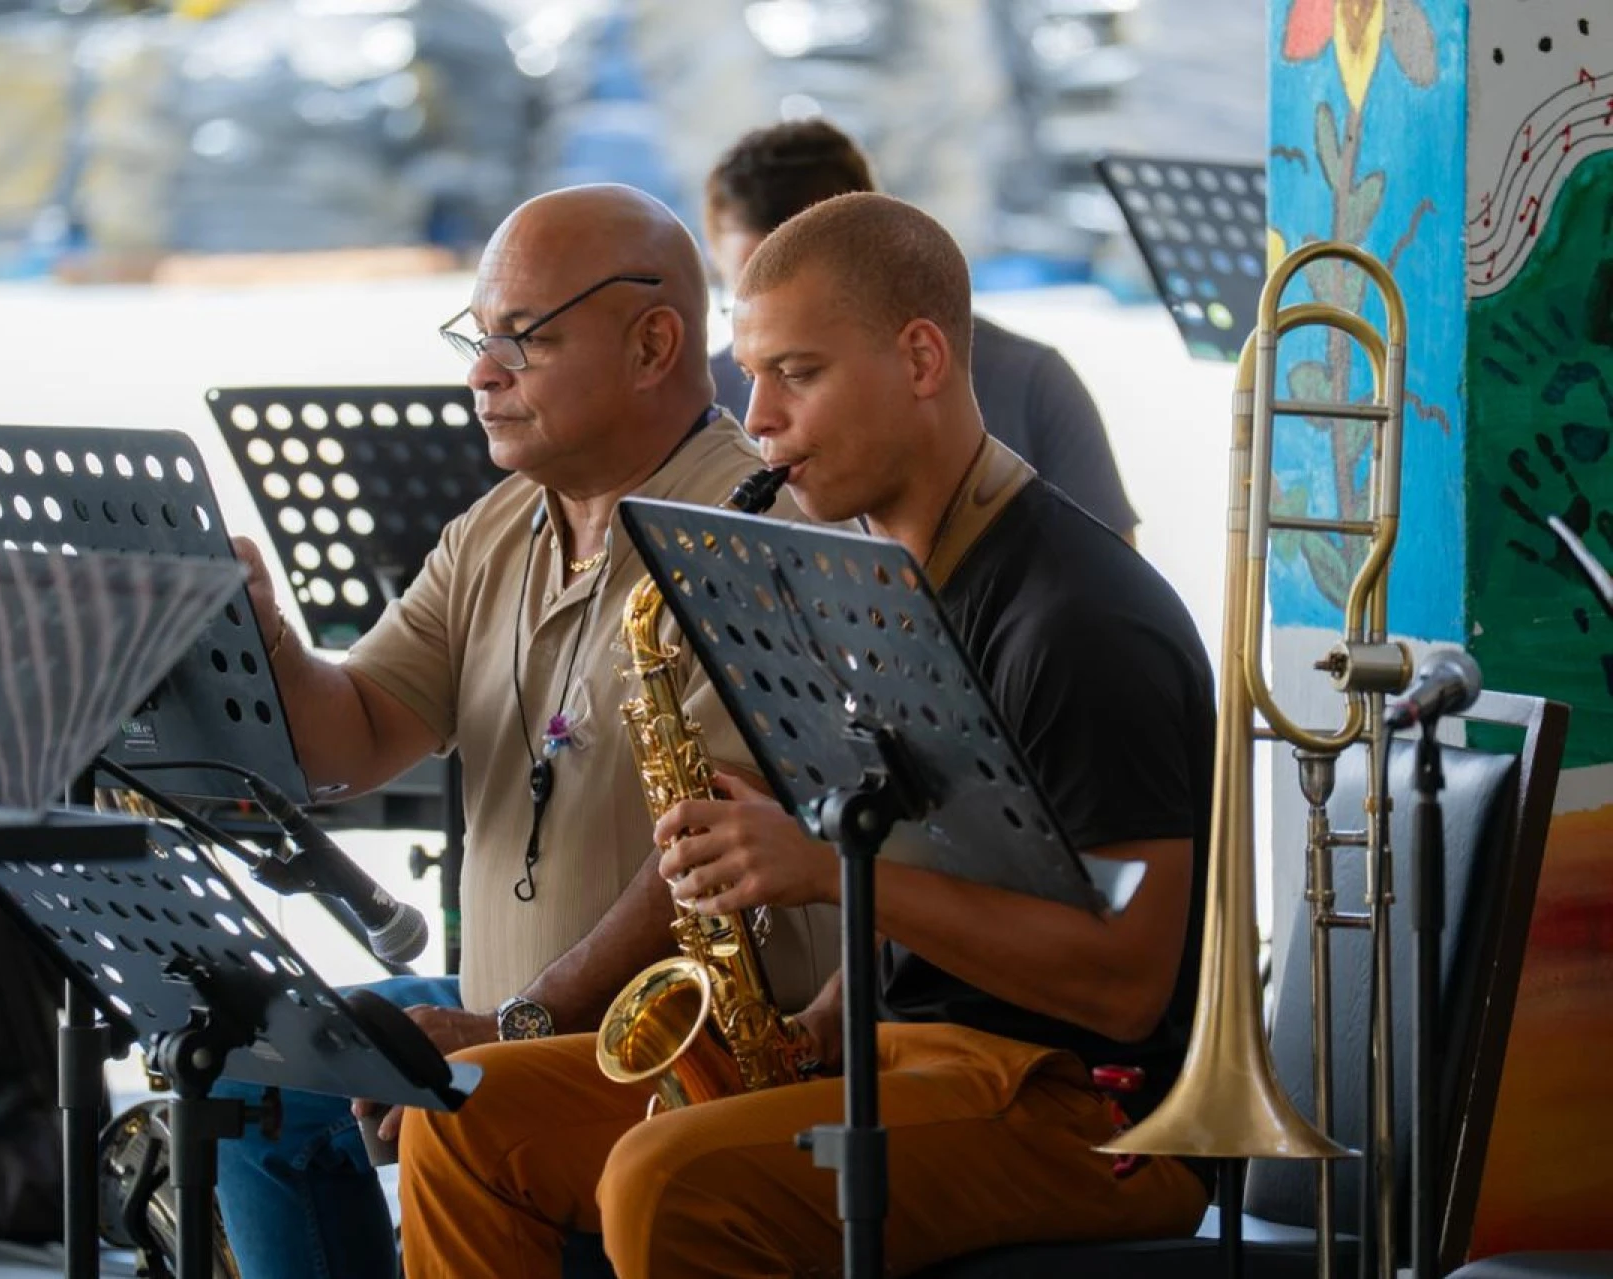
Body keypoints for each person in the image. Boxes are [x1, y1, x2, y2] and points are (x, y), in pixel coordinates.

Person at [397, 192, 1218, 1278]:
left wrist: (828, 867)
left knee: (665, 1173)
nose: (761, 418)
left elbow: (1125, 983)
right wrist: (814, 1023)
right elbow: (941, 889)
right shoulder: (878, 582)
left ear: (921, 358)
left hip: (1090, 1115)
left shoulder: (1079, 622)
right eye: (750, 375)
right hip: (903, 1060)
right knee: (460, 1115)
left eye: (798, 373)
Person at [218, 184, 838, 1279]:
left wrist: (510, 1024)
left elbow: (711, 854)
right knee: (245, 1060)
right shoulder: (500, 522)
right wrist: (263, 630)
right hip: (507, 1015)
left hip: (670, 1052)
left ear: (654, 344)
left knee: (436, 1097)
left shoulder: (753, 529)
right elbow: (349, 738)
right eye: (478, 336)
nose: (480, 373)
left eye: (525, 340)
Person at [702, 118, 1142, 541]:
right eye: (744, 298)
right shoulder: (709, 403)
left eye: (798, 370)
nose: (757, 421)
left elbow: (1113, 573)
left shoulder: (1032, 381)